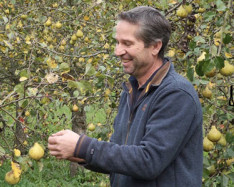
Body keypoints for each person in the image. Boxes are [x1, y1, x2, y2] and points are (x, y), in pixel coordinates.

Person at [48, 6, 203, 187]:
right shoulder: (131, 89)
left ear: (155, 46)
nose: (117, 51)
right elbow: (122, 156)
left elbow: (149, 161)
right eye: (117, 42)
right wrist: (79, 153)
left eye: (127, 44)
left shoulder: (176, 94)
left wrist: (84, 146)